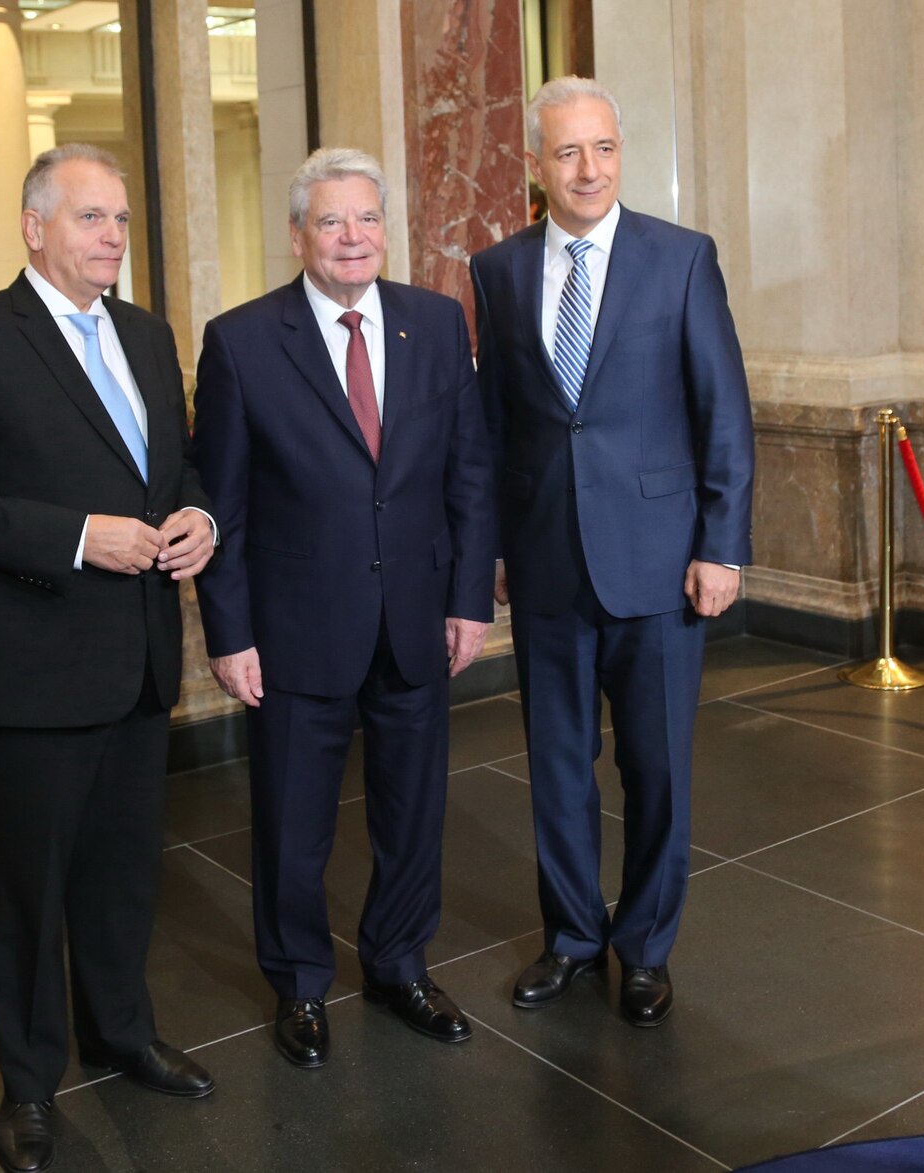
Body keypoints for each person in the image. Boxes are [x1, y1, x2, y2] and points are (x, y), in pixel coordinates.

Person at [0, 144, 217, 1173]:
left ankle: (120, 1036)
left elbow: (180, 462)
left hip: (135, 658)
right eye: (90, 219)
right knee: (31, 892)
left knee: (124, 873)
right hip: (31, 669)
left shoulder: (143, 331)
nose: (112, 237)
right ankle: (28, 1087)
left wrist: (199, 514)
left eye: (120, 219)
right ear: (34, 227)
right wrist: (79, 536)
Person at [192, 147, 497, 1069]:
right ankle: (299, 983)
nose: (355, 237)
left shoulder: (436, 325)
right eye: (333, 222)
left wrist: (469, 596)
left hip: (415, 616)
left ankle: (401, 962)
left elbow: (469, 473)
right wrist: (229, 633)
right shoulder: (241, 340)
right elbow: (223, 503)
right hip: (294, 631)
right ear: (299, 235)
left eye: (368, 218)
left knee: (414, 810)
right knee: (294, 819)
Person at [469, 77, 754, 1027]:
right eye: (566, 153)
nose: (588, 169)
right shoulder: (497, 270)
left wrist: (722, 546)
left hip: (662, 562)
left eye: (602, 149)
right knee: (555, 762)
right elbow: (500, 427)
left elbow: (725, 415)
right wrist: (499, 550)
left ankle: (645, 945)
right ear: (535, 167)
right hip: (547, 561)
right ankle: (572, 936)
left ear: (619, 154)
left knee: (657, 767)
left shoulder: (681, 259)